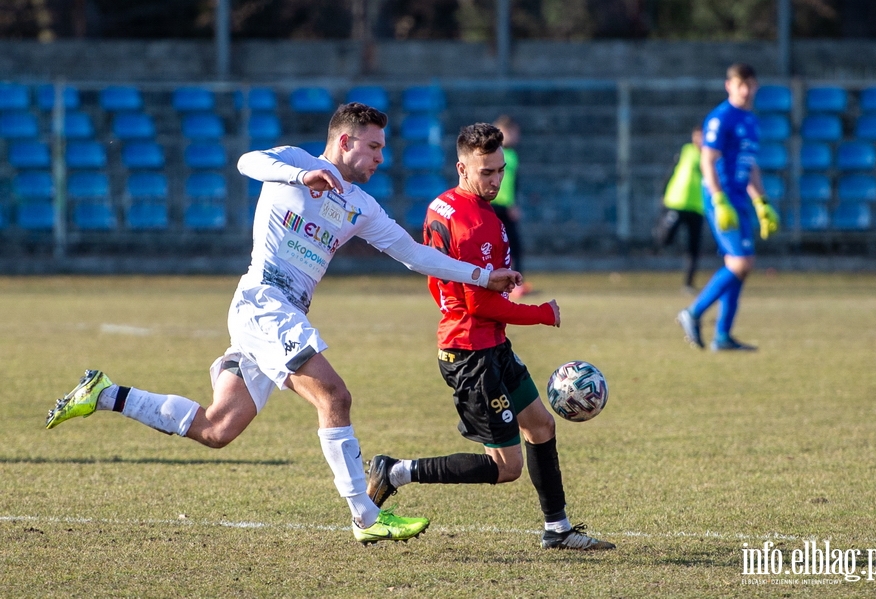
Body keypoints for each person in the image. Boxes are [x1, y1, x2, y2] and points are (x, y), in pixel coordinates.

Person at [45, 102, 522, 545]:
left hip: (280, 314)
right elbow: (246, 163)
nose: (381, 156)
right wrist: (302, 173)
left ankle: (104, 392)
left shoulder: (361, 205)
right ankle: (366, 517)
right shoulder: (293, 163)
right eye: (374, 146)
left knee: (218, 428)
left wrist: (485, 276)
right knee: (334, 396)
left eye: (383, 147)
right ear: (344, 141)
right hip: (263, 302)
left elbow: (416, 254)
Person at [365, 123, 616, 551]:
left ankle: (557, 528)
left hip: (490, 344)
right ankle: (396, 471)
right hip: (470, 353)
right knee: (505, 466)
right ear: (462, 168)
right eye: (486, 172)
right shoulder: (473, 223)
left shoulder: (444, 205)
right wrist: (539, 313)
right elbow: (479, 305)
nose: (496, 179)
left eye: (500, 170)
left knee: (540, 424)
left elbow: (467, 286)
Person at [676, 63, 780, 351]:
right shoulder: (720, 118)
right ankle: (692, 313)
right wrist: (719, 199)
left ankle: (722, 336)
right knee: (741, 262)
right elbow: (707, 160)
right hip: (721, 198)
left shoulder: (750, 121)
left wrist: (762, 202)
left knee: (739, 265)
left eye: (750, 84)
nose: (746, 91)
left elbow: (750, 165)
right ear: (729, 86)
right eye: (740, 84)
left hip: (740, 198)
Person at [653, 125, 706, 294]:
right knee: (666, 237)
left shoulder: (711, 155)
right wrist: (663, 191)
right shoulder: (686, 151)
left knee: (694, 248)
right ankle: (657, 240)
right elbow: (671, 171)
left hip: (698, 206)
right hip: (678, 202)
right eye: (697, 136)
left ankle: (688, 283)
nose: (699, 140)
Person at [491, 115, 531, 299]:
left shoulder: (513, 155)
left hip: (506, 207)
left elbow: (513, 184)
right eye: (510, 133)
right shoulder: (492, 154)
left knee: (514, 245)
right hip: (492, 206)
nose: (515, 137)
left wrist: (514, 204)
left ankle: (516, 284)